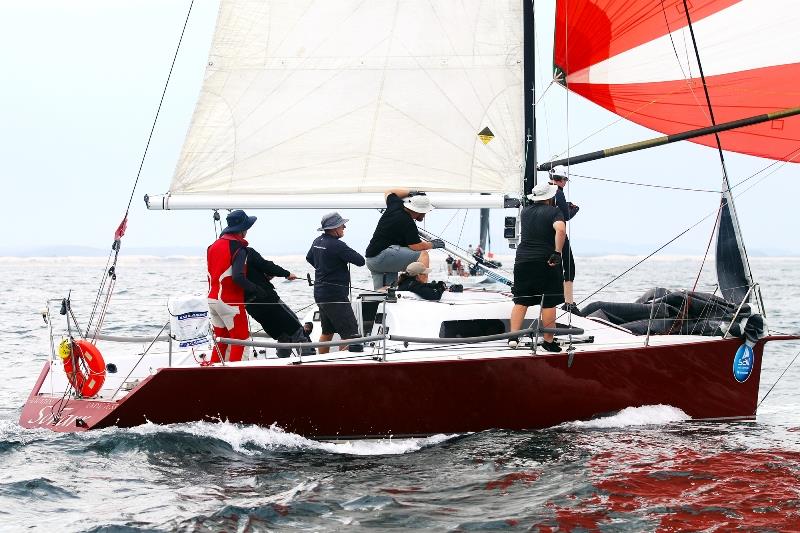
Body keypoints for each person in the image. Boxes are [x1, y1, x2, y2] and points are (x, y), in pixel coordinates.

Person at [508, 182, 566, 353]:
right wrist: (557, 252)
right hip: (546, 262)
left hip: (522, 261)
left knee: (521, 301)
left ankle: (513, 338)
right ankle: (548, 341)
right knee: (549, 302)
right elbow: (560, 230)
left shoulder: (525, 212)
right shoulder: (554, 211)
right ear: (549, 197)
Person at [234, 245, 311, 358]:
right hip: (267, 300)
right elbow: (266, 266)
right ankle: (311, 359)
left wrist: (264, 277)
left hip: (250, 306)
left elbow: (247, 276)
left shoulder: (230, 258)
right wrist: (287, 274)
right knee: (297, 330)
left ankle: (282, 362)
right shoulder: (246, 251)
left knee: (282, 334)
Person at [306, 212, 366, 354]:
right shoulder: (338, 245)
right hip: (335, 296)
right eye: (342, 225)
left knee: (327, 331)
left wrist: (324, 268)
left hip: (320, 294)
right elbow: (360, 261)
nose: (344, 227)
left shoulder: (317, 241)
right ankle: (343, 366)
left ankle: (320, 362)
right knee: (350, 333)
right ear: (334, 228)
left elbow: (309, 258)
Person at [365, 189, 445, 289]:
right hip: (382, 257)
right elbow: (416, 246)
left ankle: (381, 301)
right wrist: (432, 244)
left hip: (372, 261)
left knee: (387, 293)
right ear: (419, 211)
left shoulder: (395, 205)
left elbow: (388, 193)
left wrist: (411, 192)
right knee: (423, 254)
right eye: (425, 212)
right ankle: (423, 287)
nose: (424, 215)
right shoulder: (408, 223)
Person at [206, 209, 257, 363]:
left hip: (213, 300)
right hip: (230, 303)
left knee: (222, 341)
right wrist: (255, 289)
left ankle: (213, 375)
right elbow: (238, 277)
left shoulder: (212, 246)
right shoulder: (239, 249)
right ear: (242, 230)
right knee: (241, 341)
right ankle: (236, 379)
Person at [550, 173, 582, 316]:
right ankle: (568, 304)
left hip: (544, 234)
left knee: (551, 266)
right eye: (566, 180)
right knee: (569, 267)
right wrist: (574, 209)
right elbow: (565, 216)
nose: (566, 182)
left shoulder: (545, 190)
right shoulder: (558, 192)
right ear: (561, 180)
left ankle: (550, 301)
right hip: (558, 233)